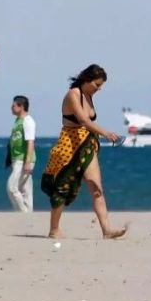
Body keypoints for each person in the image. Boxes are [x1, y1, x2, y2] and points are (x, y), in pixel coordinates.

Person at [40, 64, 128, 239]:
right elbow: (83, 120)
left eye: (101, 85)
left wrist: (98, 135)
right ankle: (54, 229)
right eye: (97, 84)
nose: (99, 88)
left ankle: (107, 230)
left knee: (96, 188)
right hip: (69, 144)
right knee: (62, 187)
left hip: (87, 144)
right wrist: (106, 133)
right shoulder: (74, 94)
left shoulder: (89, 95)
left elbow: (88, 125)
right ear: (87, 80)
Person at [6, 95, 36, 212]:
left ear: (21, 107)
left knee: (12, 188)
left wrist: (27, 162)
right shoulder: (18, 121)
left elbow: (30, 142)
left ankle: (24, 214)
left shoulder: (28, 121)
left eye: (14, 105)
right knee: (25, 190)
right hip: (16, 159)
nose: (11, 108)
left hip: (23, 160)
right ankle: (29, 217)